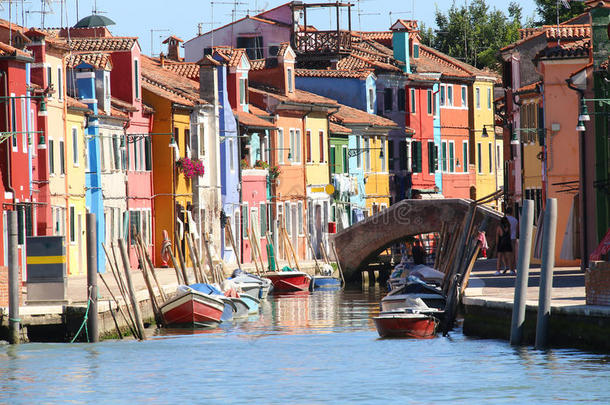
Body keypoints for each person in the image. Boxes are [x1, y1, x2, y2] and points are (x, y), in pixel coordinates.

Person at [505, 206, 519, 274]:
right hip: (513, 238)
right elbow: (517, 231)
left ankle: (509, 268)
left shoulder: (504, 219)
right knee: (513, 254)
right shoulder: (515, 220)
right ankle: (513, 269)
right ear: (512, 212)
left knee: (508, 254)